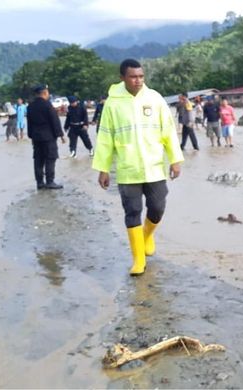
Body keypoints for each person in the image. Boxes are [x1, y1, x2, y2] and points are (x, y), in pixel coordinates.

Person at [92, 59, 184, 276]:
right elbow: (105, 137)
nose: (138, 81)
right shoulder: (113, 104)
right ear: (122, 77)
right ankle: (138, 259)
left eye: (141, 76)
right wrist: (103, 168)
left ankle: (147, 234)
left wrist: (175, 159)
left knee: (157, 207)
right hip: (127, 168)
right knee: (132, 211)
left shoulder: (154, 98)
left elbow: (168, 130)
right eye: (133, 77)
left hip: (154, 166)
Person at [27, 84, 66, 190]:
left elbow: (29, 123)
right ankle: (50, 181)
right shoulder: (47, 105)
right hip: (48, 137)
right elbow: (55, 121)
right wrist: (61, 135)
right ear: (44, 93)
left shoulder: (30, 106)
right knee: (50, 158)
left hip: (36, 137)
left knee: (38, 160)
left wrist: (31, 135)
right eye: (48, 92)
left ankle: (39, 183)